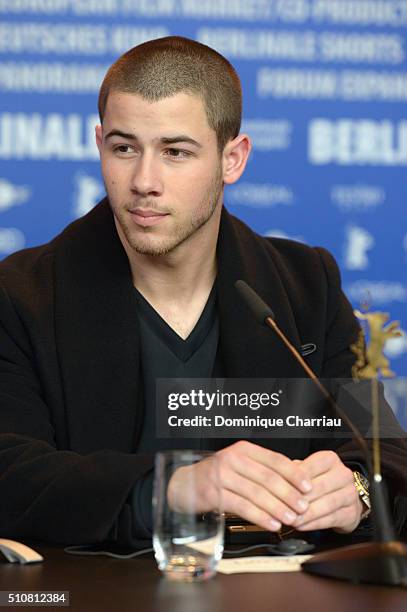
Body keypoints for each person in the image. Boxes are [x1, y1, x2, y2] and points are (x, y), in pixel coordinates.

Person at [0, 36, 406, 549]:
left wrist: (355, 492)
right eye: (124, 148)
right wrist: (174, 487)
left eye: (175, 152)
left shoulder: (308, 287)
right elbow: (9, 472)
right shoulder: (18, 295)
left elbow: (382, 448)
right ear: (99, 144)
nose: (144, 181)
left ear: (232, 159)